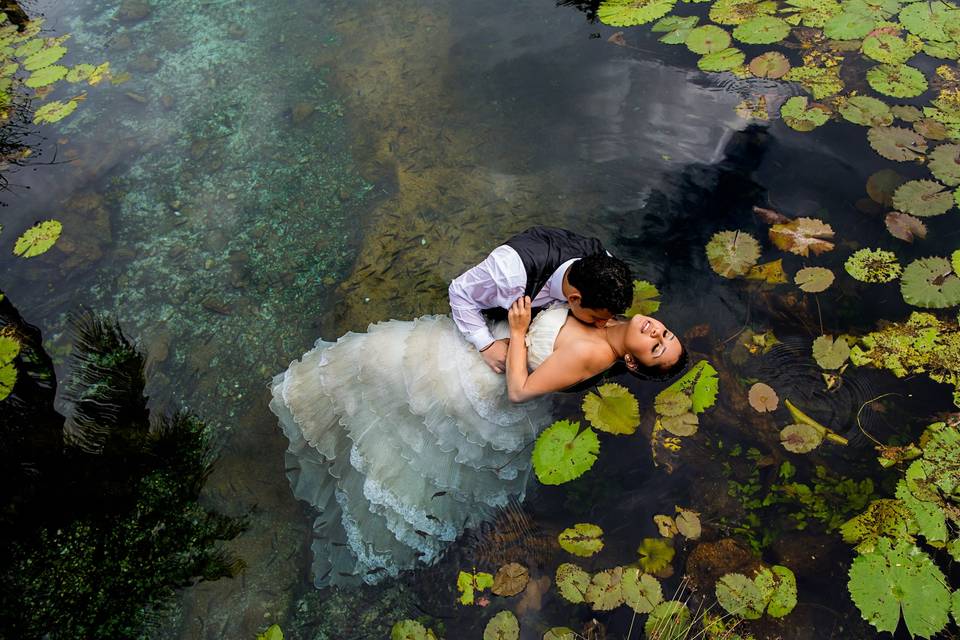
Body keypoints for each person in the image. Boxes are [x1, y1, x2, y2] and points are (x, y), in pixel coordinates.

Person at [270, 266, 685, 591]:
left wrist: (519, 331)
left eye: (656, 347)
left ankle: (348, 464)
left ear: (633, 363)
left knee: (390, 387)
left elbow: (521, 391)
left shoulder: (591, 354)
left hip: (483, 385)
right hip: (489, 349)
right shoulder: (612, 318)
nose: (655, 332)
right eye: (664, 333)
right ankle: (342, 442)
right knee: (388, 389)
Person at [448, 226, 634, 373]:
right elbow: (459, 292)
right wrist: (486, 345)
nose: (602, 325)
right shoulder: (509, 275)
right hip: (506, 291)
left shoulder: (606, 263)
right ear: (574, 299)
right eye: (596, 318)